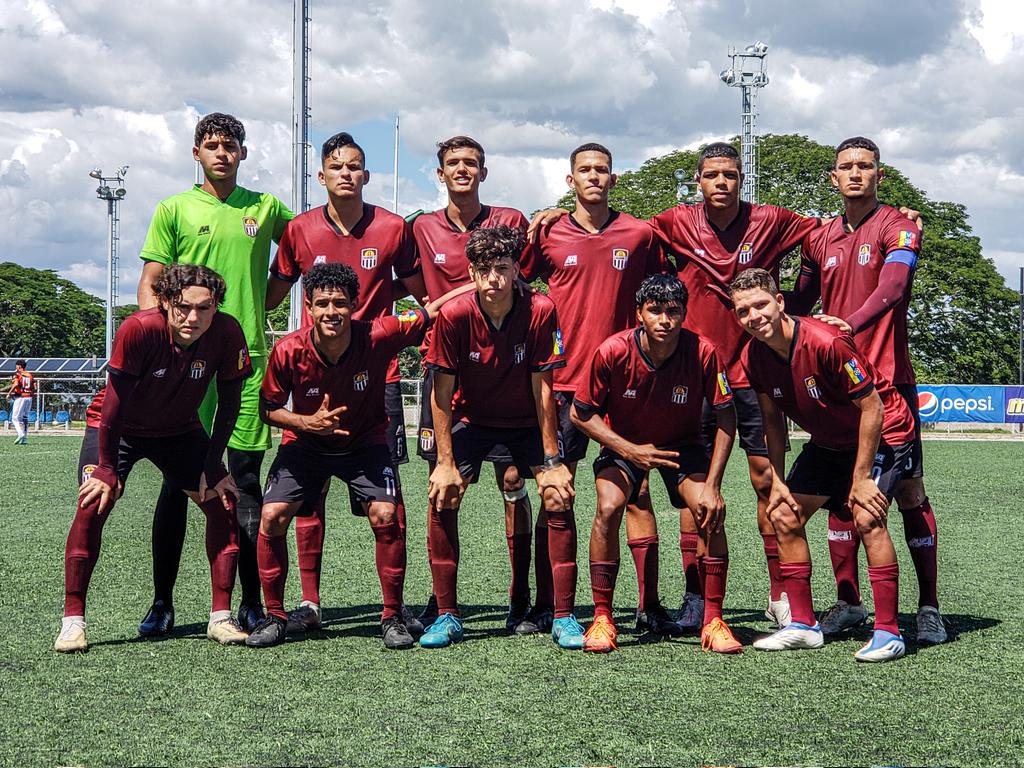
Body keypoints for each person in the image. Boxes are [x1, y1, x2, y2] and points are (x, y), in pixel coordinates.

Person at [529, 142, 818, 630]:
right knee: (581, 492)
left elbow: (828, 238)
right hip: (639, 378)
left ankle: (770, 598)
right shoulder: (662, 224)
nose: (721, 182)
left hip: (740, 372)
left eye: (730, 174)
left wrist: (805, 302)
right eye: (712, 175)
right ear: (698, 181)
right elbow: (516, 272)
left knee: (760, 482)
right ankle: (564, 606)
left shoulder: (758, 220)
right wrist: (550, 212)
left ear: (742, 176)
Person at [135, 112, 293, 638]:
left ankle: (249, 602)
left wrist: (266, 302)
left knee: (246, 481)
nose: (222, 152)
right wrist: (153, 346)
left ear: (244, 153)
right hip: (183, 366)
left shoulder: (265, 207)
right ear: (197, 153)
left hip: (244, 358)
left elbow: (305, 246)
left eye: (231, 145)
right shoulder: (173, 208)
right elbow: (153, 280)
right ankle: (162, 602)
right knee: (179, 482)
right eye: (212, 144)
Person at [265, 131, 426, 635]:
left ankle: (393, 612)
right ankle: (307, 605)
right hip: (313, 373)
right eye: (336, 166)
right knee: (305, 501)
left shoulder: (395, 227)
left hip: (377, 371)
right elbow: (270, 294)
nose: (345, 174)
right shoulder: (299, 230)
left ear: (366, 175)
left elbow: (424, 295)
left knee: (386, 508)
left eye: (354, 166)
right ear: (322, 175)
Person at [789, 136, 945, 644]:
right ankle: (850, 603)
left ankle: (927, 607)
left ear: (880, 175)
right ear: (833, 178)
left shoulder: (898, 226)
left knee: (904, 494)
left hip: (888, 384)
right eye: (846, 167)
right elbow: (801, 297)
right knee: (841, 499)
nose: (855, 173)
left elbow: (894, 288)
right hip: (837, 389)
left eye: (865, 166)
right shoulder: (819, 237)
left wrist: (846, 327)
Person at [247, 263, 452, 650]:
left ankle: (392, 615)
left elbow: (434, 309)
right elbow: (268, 407)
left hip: (364, 445)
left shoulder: (378, 334)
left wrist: (479, 286)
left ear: (355, 305)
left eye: (340, 303)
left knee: (386, 515)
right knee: (272, 515)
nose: (331, 312)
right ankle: (274, 616)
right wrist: (307, 423)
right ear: (309, 306)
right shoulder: (289, 349)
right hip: (305, 444)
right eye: (322, 303)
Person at [521, 142, 680, 636]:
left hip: (626, 385)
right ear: (570, 181)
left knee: (636, 495)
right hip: (566, 384)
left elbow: (667, 290)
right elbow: (515, 289)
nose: (594, 177)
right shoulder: (547, 233)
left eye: (602, 170)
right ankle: (552, 605)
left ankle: (648, 604)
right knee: (556, 493)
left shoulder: (639, 233)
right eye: (584, 170)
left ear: (615, 178)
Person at [54, 264, 251, 652]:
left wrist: (214, 465)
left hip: (178, 430)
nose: (192, 317)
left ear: (217, 307)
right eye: (182, 307)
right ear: (164, 303)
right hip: (118, 429)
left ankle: (220, 618)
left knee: (221, 501)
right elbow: (113, 404)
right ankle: (72, 622)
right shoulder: (139, 328)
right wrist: (108, 468)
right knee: (93, 503)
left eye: (204, 308)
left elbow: (230, 404)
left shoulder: (227, 332)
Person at [731, 268, 912, 662]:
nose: (754, 316)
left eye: (760, 305)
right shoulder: (752, 356)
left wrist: (861, 478)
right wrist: (776, 481)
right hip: (829, 441)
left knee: (867, 517)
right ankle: (803, 625)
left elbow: (872, 407)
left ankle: (888, 632)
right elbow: (773, 422)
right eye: (743, 311)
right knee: (783, 515)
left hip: (885, 431)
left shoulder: (826, 341)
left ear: (779, 303)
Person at [420, 224, 581, 650]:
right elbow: (441, 392)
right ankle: (447, 614)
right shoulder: (455, 316)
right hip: (472, 421)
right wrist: (445, 462)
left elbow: (544, 388)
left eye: (503, 268)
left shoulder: (541, 309)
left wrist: (551, 461)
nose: (494, 278)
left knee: (557, 494)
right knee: (444, 493)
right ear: (471, 273)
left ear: (516, 271)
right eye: (485, 269)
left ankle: (563, 615)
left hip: (527, 421)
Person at [411, 136, 541, 632]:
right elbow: (408, 288)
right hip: (445, 368)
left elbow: (527, 277)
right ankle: (442, 602)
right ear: (439, 173)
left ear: (484, 172)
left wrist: (550, 212)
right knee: (444, 487)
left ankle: (520, 595)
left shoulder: (510, 220)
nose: (462, 170)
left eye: (471, 163)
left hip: (505, 367)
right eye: (452, 164)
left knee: (513, 481)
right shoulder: (421, 227)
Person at [571, 274, 740, 653]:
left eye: (673, 311)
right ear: (639, 314)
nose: (665, 319)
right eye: (656, 311)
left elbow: (727, 419)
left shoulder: (703, 352)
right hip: (625, 446)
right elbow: (581, 414)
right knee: (609, 507)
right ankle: (602, 618)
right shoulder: (612, 351)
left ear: (684, 314)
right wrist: (630, 451)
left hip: (682, 447)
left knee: (708, 509)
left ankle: (713, 620)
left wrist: (713, 485)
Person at [7, 359, 34, 445]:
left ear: (19, 366)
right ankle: (25, 437)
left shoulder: (17, 374)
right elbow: (34, 387)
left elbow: (15, 384)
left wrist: (9, 393)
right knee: (25, 417)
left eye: (16, 366)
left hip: (21, 397)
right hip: (29, 397)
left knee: (15, 418)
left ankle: (20, 434)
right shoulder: (30, 375)